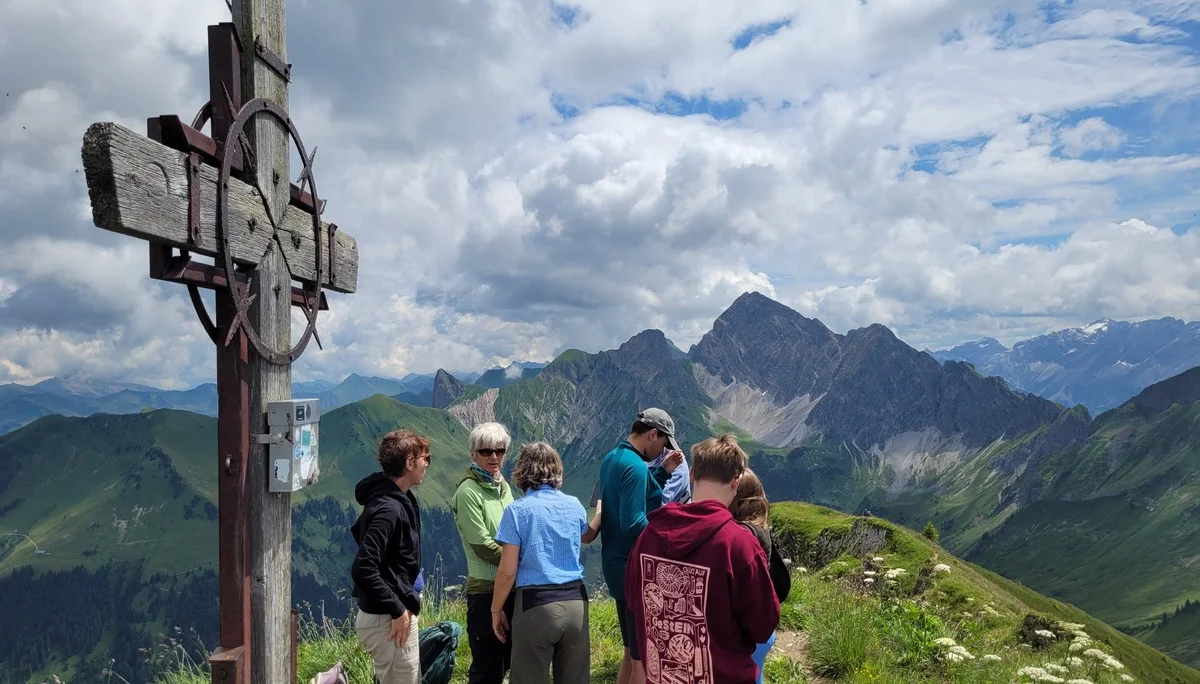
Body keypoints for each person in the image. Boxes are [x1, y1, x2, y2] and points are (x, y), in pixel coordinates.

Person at [625, 434, 780, 684]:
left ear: (692, 474)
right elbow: (763, 626)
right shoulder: (738, 544)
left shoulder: (649, 536)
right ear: (736, 482)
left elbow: (634, 602)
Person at [490, 442, 603, 684]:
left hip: (536, 605)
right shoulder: (574, 504)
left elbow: (507, 572)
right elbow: (587, 536)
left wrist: (496, 609)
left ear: (522, 471)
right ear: (556, 470)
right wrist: (600, 514)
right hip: (576, 603)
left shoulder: (516, 511)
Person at [598, 408, 686, 684]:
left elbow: (634, 495)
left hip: (614, 564)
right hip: (633, 570)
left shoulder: (613, 458)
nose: (663, 450)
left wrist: (662, 473)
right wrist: (668, 538)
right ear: (652, 434)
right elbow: (634, 522)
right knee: (642, 659)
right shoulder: (636, 466)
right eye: (663, 443)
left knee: (630, 650)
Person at [350, 429, 431, 684]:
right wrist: (396, 609)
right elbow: (363, 567)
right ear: (409, 463)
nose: (427, 463)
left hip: (388, 615)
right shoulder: (389, 508)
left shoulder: (393, 498)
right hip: (387, 619)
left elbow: (358, 532)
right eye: (425, 458)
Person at [451, 422, 517, 684]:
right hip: (485, 590)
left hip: (511, 585)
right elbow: (482, 546)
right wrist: (521, 556)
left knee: (507, 660)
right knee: (487, 666)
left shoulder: (504, 487)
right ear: (473, 453)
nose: (494, 457)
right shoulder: (468, 492)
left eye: (499, 451)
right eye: (485, 451)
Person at [729, 469, 792, 684]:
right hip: (763, 631)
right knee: (756, 674)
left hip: (743, 634)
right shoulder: (760, 531)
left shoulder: (737, 539)